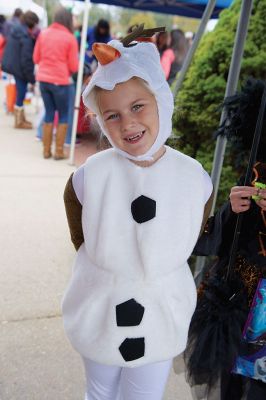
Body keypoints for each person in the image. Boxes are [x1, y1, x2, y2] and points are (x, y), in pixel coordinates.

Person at [62, 26, 213, 400]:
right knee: (99, 392)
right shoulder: (88, 177)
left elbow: (195, 230)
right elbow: (80, 233)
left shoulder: (194, 178)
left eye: (137, 107)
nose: (127, 123)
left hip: (161, 313)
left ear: (161, 99)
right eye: (111, 115)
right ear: (98, 119)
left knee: (144, 395)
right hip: (100, 308)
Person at [185, 78, 266, 400]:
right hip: (240, 304)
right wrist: (232, 209)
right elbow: (217, 234)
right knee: (231, 384)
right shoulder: (257, 171)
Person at [33, 6, 79, 160]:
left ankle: (46, 150)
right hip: (60, 81)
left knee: (49, 113)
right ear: (68, 20)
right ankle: (59, 151)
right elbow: (74, 66)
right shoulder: (70, 38)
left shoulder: (43, 34)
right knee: (64, 114)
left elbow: (35, 58)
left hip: (43, 80)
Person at [2, 11, 39, 129]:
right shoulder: (26, 37)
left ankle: (21, 119)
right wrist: (32, 79)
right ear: (32, 24)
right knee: (21, 93)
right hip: (19, 68)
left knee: (20, 92)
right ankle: (19, 122)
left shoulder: (17, 30)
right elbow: (26, 61)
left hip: (13, 65)